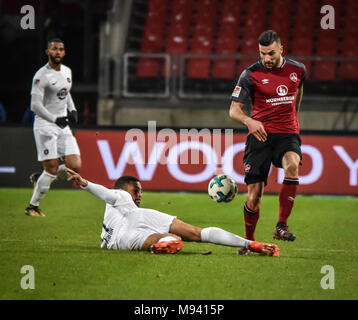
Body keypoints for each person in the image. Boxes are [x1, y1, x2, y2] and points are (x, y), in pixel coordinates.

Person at [65, 168, 280, 256]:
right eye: (136, 190)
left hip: (119, 241)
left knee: (173, 238)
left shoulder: (119, 208)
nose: (139, 194)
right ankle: (250, 244)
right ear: (123, 188)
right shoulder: (119, 195)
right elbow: (106, 193)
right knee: (198, 233)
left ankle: (165, 242)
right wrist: (85, 183)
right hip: (134, 222)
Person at [229, 30, 306, 254]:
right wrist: (249, 121)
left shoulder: (298, 70)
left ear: (282, 49)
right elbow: (234, 111)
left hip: (287, 134)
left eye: (271, 53)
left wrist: (295, 118)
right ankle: (249, 242)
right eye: (263, 54)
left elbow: (298, 92)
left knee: (292, 164)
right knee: (254, 196)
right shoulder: (250, 74)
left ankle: (281, 225)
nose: (267, 58)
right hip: (259, 137)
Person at [25, 38, 81, 217]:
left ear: (64, 53)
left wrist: (72, 109)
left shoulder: (67, 71)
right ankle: (32, 206)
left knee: (75, 166)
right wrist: (54, 119)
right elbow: (35, 106)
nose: (57, 52)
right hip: (45, 125)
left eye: (61, 49)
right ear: (47, 52)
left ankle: (40, 177)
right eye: (54, 49)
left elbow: (66, 93)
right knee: (52, 169)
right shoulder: (41, 76)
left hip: (62, 125)